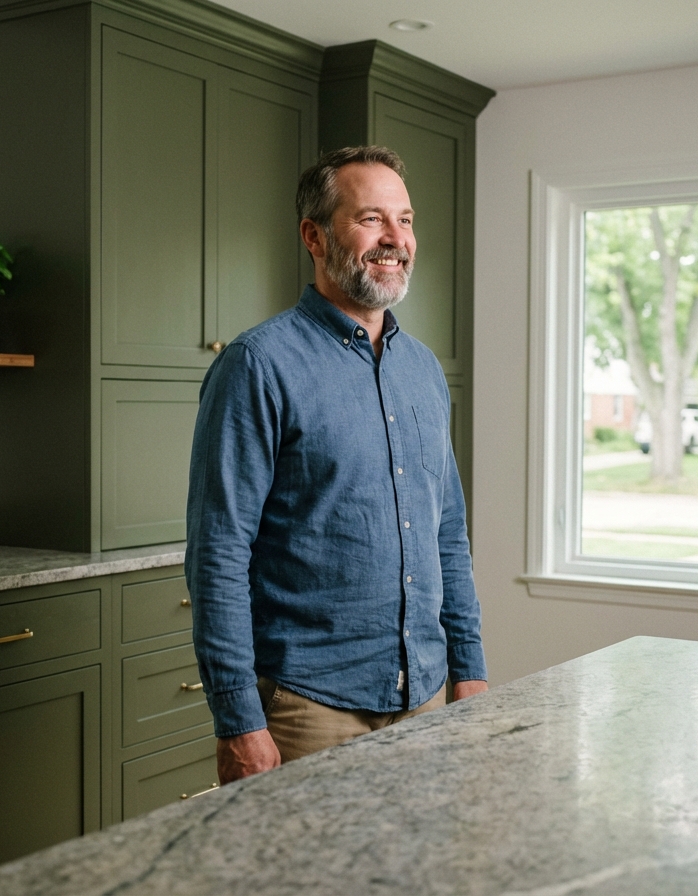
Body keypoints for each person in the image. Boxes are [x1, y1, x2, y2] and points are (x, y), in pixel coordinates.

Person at [185, 145, 488, 786]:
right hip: (307, 709)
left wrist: (470, 668)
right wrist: (239, 720)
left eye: (404, 220)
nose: (395, 239)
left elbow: (448, 536)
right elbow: (218, 555)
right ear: (314, 236)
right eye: (371, 219)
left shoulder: (425, 372)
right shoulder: (256, 366)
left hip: (428, 695)